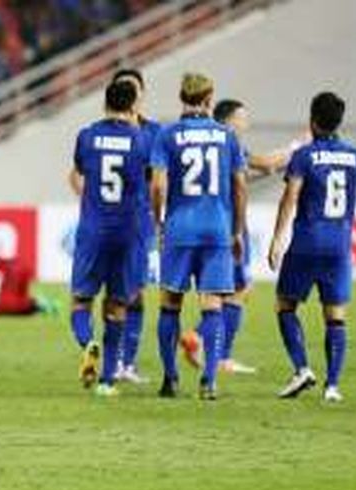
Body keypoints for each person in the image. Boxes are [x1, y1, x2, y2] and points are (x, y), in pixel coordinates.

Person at [268, 91, 356, 402]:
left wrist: (278, 239)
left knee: (285, 306)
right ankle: (332, 386)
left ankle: (302, 368)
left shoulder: (304, 156)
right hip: (339, 247)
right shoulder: (355, 156)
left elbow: (290, 197)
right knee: (335, 316)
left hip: (306, 243)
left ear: (312, 120)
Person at [150, 73, 247, 400]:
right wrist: (237, 230)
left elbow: (159, 185)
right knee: (213, 306)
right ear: (209, 99)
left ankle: (171, 378)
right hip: (217, 229)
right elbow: (240, 185)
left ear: (182, 97)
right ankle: (208, 381)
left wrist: (159, 222)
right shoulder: (226, 135)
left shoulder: (167, 135)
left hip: (180, 228)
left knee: (170, 306)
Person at [179, 99, 294, 374]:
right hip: (229, 224)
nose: (247, 123)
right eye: (242, 118)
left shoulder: (212, 144)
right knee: (237, 289)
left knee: (228, 289)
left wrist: (269, 169)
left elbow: (245, 175)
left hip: (202, 220)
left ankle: (211, 348)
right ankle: (212, 348)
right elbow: (264, 162)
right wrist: (295, 148)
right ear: (228, 120)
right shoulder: (228, 140)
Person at [69, 79, 150, 397]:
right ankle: (106, 381)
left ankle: (88, 341)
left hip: (93, 230)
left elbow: (80, 171)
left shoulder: (87, 137)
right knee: (117, 306)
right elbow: (148, 180)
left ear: (105, 103)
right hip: (127, 232)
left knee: (81, 300)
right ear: (133, 106)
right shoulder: (141, 141)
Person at [108, 68, 162, 384]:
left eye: (134, 88)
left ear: (141, 94)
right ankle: (110, 360)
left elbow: (158, 178)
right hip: (107, 222)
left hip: (139, 222)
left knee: (137, 291)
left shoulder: (153, 133)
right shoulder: (101, 132)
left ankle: (126, 363)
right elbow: (77, 174)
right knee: (112, 294)